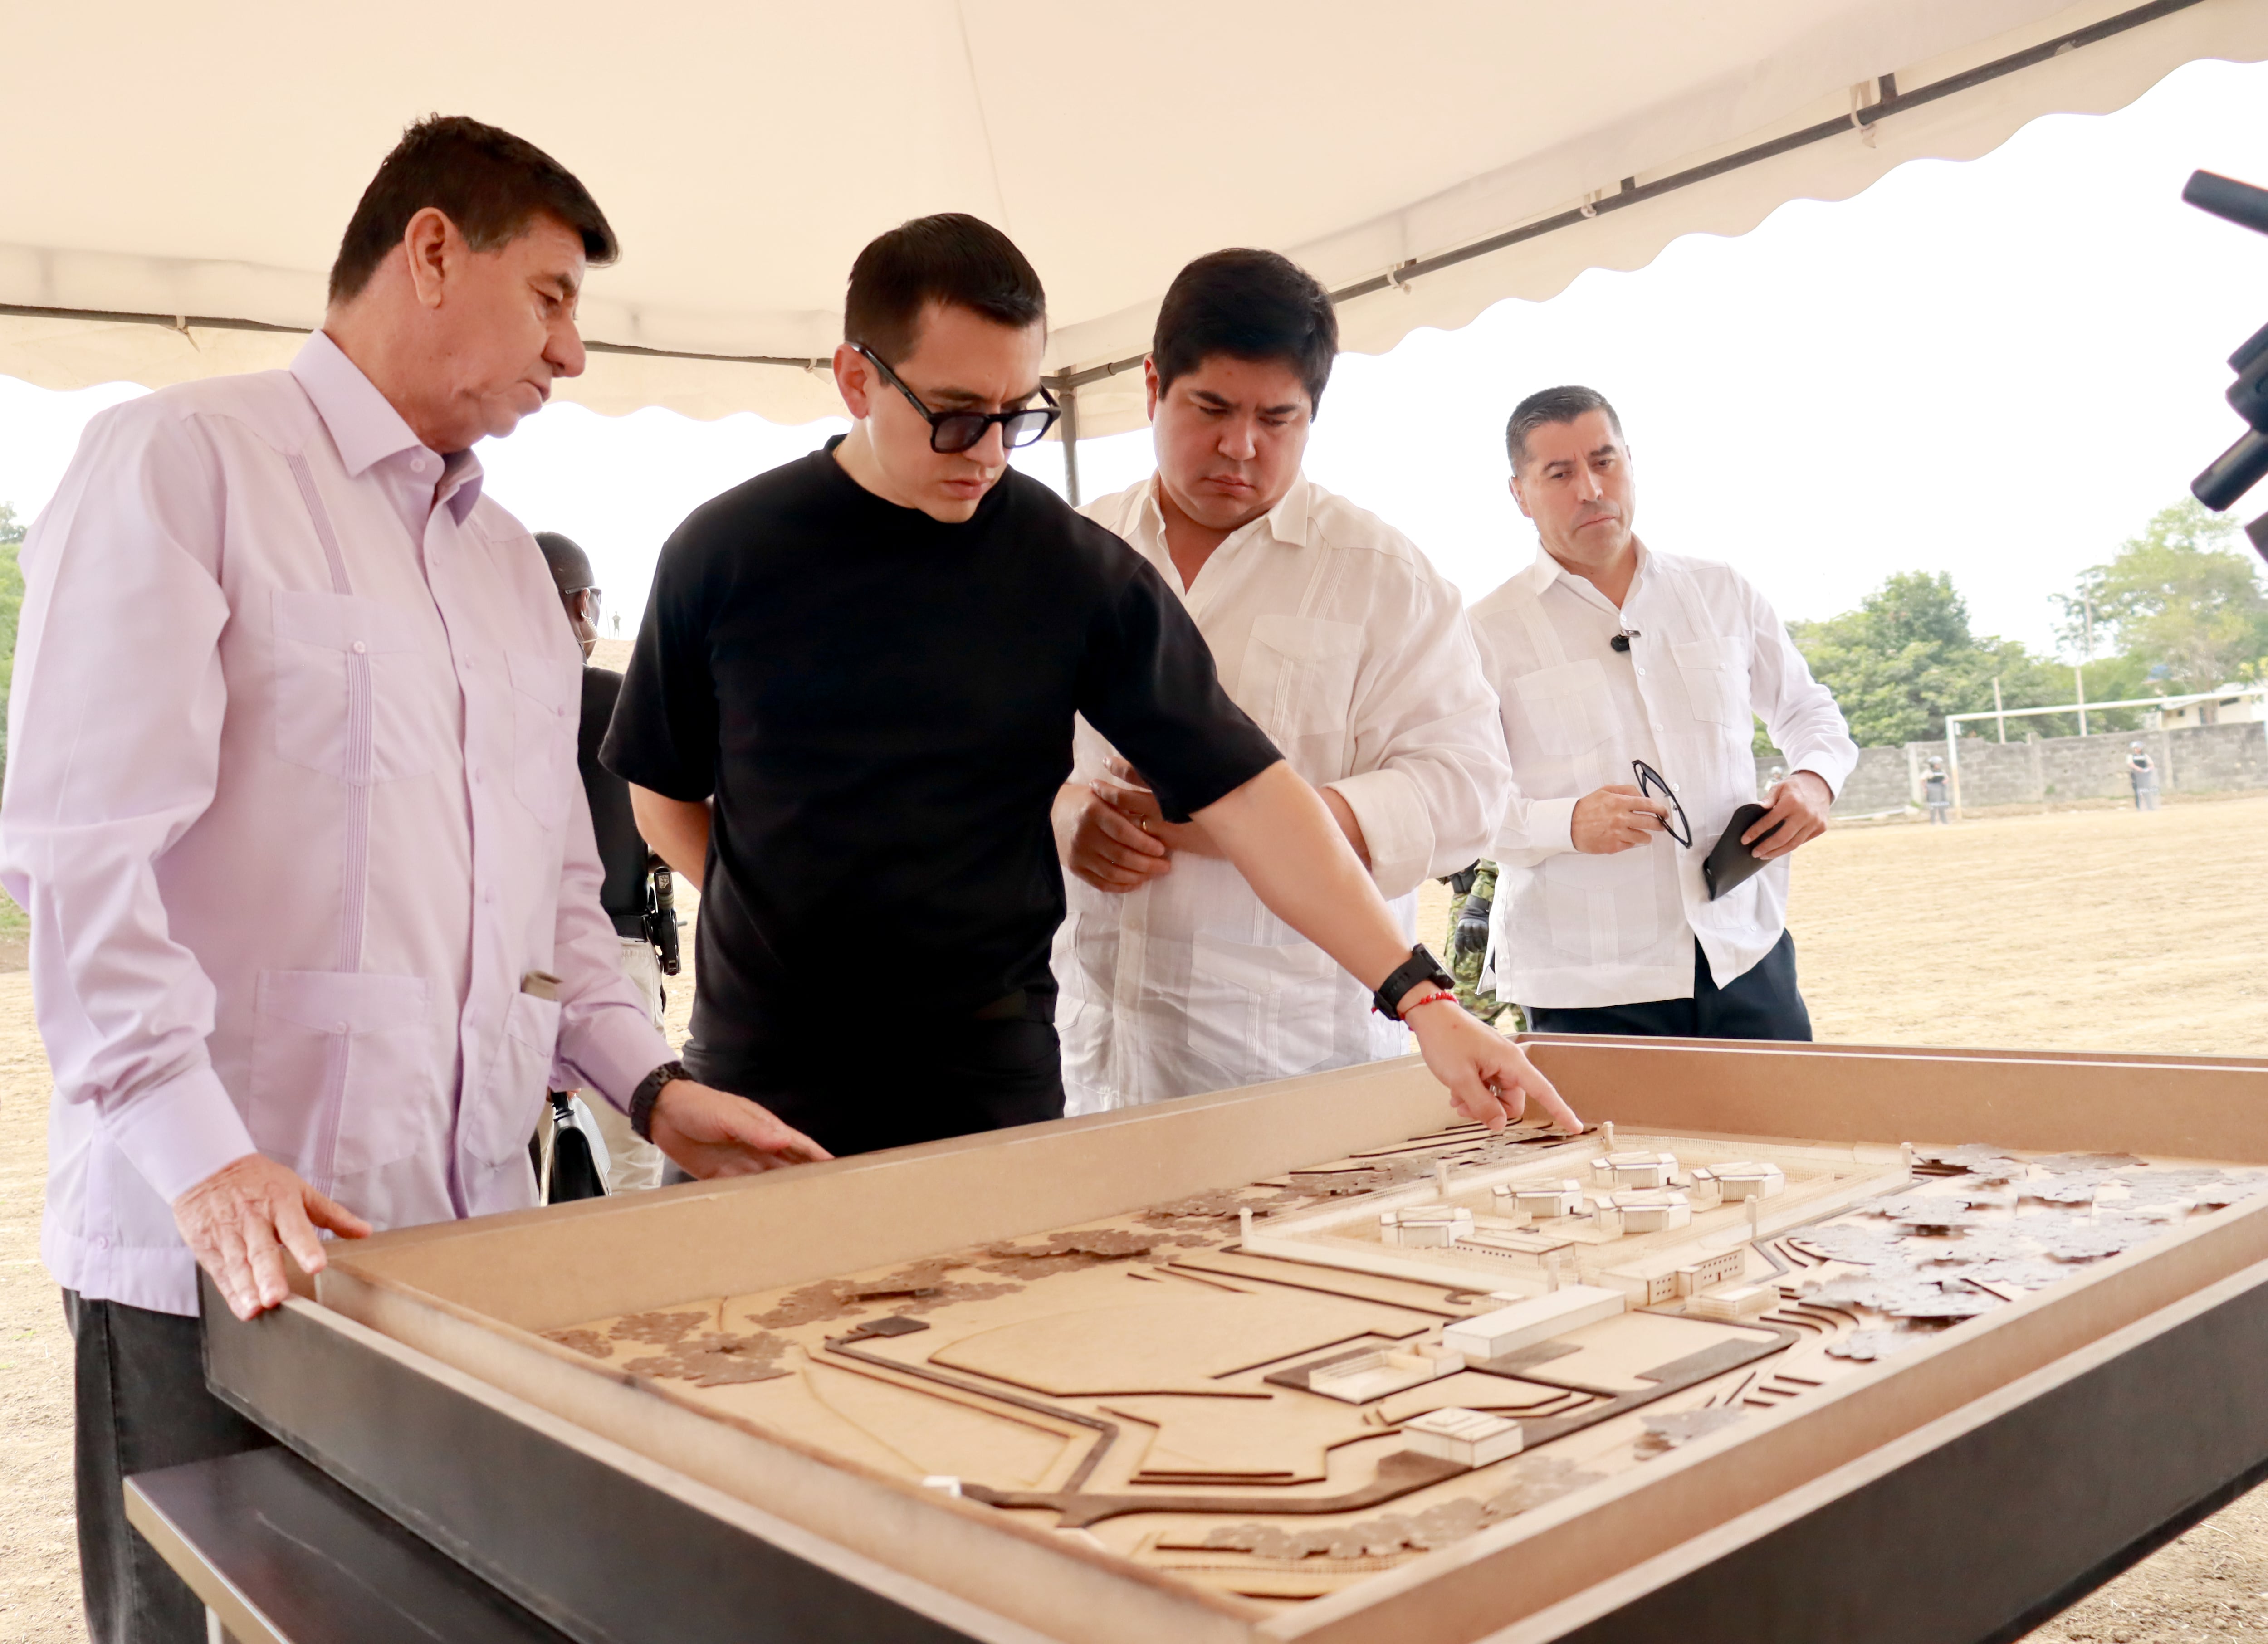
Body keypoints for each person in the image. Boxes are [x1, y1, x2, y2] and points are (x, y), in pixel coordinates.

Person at [0, 117, 825, 1644]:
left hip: (455, 1260)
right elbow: (80, 849)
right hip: (214, 1255)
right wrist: (204, 1159)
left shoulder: (513, 568)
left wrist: (650, 1087)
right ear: (433, 250)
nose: (573, 353)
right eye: (554, 296)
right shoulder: (185, 464)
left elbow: (555, 899)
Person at [606, 215, 1576, 1162]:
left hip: (987, 1085)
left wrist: (1423, 998)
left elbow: (1250, 795)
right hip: (763, 1068)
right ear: (857, 378)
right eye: (953, 414)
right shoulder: (723, 552)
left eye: (1017, 415)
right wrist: (785, 928)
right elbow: (663, 792)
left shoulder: (1074, 571)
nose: (986, 451)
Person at [1050, 249, 1510, 1110]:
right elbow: (997, 756)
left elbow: (1467, 794)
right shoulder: (1072, 552)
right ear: (1153, 388)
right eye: (1211, 409)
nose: (1240, 447)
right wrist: (1066, 812)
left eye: (1278, 419)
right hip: (1094, 1062)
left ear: (1314, 415)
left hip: (1296, 1069)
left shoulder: (1381, 577)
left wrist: (1249, 821)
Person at [1469, 386, 1857, 1041]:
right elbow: (1458, 803)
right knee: (1611, 1149)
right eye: (1559, 474)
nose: (1590, 488)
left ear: (1629, 462)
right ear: (1519, 493)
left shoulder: (1720, 591)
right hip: (1590, 981)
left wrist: (1816, 780)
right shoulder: (1484, 632)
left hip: (1744, 951)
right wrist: (1566, 821)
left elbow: (1808, 710)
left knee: (1787, 1141)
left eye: (1604, 460)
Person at [536, 530, 669, 1191]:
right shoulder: (620, 697)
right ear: (584, 604)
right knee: (637, 1153)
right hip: (616, 946)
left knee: (510, 1156)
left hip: (509, 959)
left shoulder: (482, 701)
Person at [1443, 860, 1515, 1027]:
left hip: (1486, 908)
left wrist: (1478, 905)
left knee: (1469, 1020)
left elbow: (1501, 854)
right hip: (1474, 903)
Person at [2128, 740, 2161, 811]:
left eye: (2138, 748)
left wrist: (2147, 769)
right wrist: (2138, 769)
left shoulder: (2145, 756)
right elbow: (2131, 764)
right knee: (2137, 792)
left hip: (2145, 776)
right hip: (2136, 776)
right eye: (2136, 748)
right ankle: (2139, 807)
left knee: (2147, 791)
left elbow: (2151, 764)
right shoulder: (2131, 756)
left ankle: (2150, 807)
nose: (2137, 749)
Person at [1923, 756, 1952, 824]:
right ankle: (1933, 822)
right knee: (1934, 806)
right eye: (1937, 764)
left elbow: (1947, 778)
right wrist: (1925, 789)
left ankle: (1944, 821)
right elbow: (1922, 780)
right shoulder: (1929, 772)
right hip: (1933, 790)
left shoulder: (1942, 771)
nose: (1939, 765)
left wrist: (1946, 781)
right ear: (1933, 765)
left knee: (1942, 806)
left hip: (1941, 790)